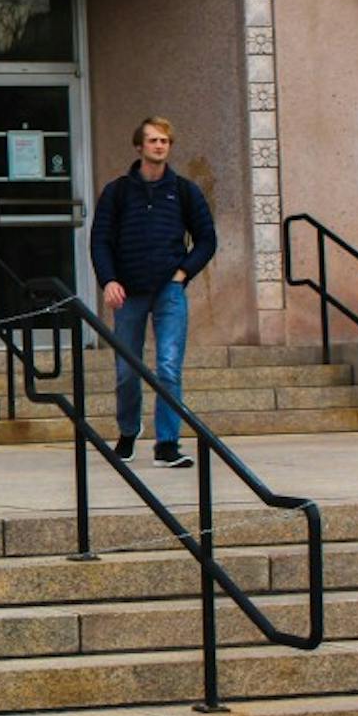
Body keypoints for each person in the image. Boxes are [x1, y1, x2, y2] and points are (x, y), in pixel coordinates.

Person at [90, 116, 217, 468]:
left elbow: (207, 239)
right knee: (127, 369)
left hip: (168, 291)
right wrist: (109, 280)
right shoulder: (117, 192)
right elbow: (100, 240)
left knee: (168, 367)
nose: (159, 146)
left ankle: (167, 444)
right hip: (128, 291)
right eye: (153, 140)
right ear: (139, 146)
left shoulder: (185, 190)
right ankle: (128, 433)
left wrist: (182, 273)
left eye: (165, 141)